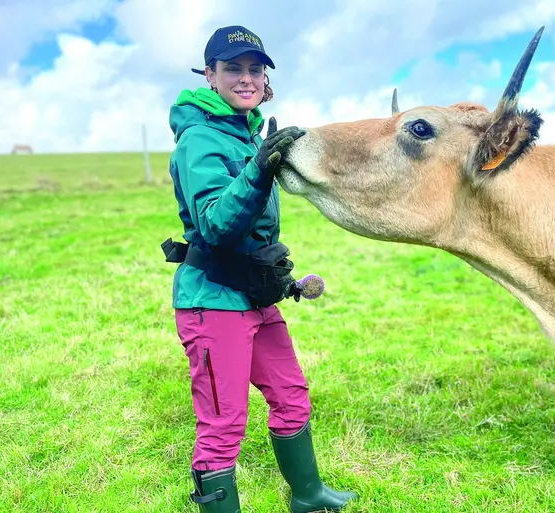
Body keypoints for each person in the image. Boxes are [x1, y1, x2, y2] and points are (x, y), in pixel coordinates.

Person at [162, 25, 358, 513]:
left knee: (291, 395)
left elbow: (253, 233)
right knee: (224, 423)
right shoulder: (199, 139)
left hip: (254, 295)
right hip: (212, 302)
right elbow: (215, 226)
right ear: (210, 75)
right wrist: (259, 168)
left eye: (255, 69)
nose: (246, 78)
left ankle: (309, 495)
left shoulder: (247, 131)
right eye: (233, 69)